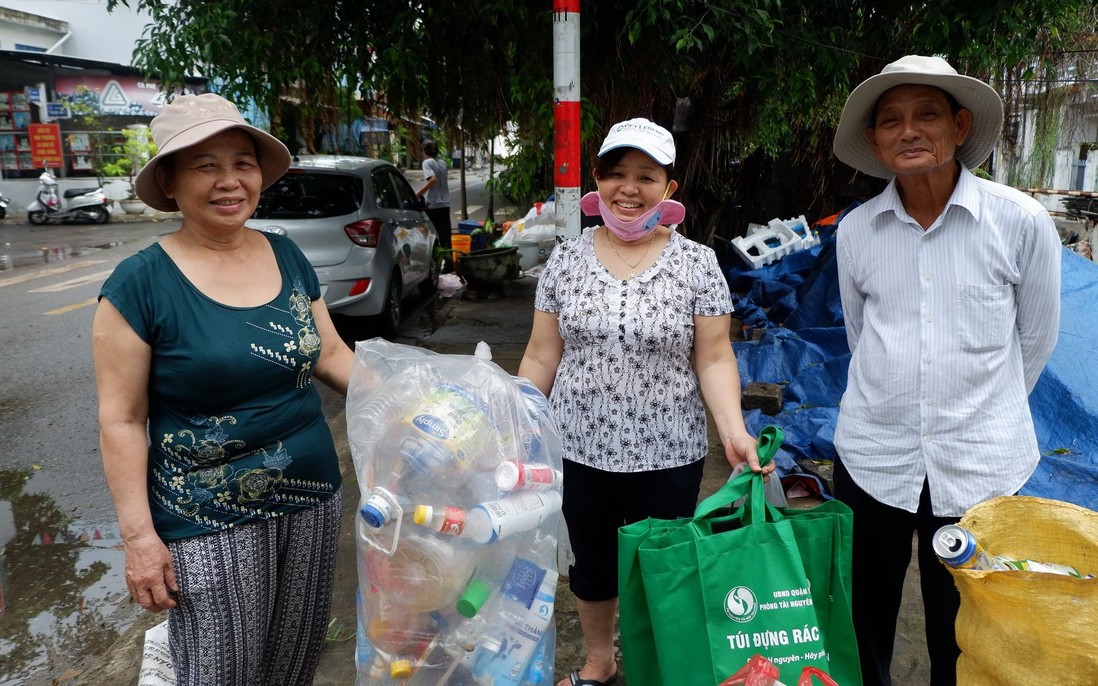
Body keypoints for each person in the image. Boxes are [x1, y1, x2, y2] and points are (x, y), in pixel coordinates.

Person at [92, 93, 356, 685]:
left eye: (242, 162)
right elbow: (122, 419)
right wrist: (139, 539)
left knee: (292, 666)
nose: (229, 181)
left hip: (311, 493)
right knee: (220, 671)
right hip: (206, 515)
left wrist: (422, 400)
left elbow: (333, 354)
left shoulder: (286, 255)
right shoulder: (138, 286)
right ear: (170, 180)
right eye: (205, 165)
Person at [831, 55, 1061, 685]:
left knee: (964, 628)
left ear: (960, 125)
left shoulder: (1020, 222)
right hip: (874, 453)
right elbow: (860, 336)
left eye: (926, 114)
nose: (909, 131)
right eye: (891, 120)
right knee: (864, 616)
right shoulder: (857, 231)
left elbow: (1036, 340)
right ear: (876, 142)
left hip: (982, 460)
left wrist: (980, 412)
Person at [517, 118, 771, 686]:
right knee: (593, 562)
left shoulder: (698, 263)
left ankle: (661, 666)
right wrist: (515, 426)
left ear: (669, 189)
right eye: (617, 175)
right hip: (581, 444)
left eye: (646, 176)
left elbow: (713, 358)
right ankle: (601, 662)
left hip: (669, 449)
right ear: (598, 181)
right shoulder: (565, 259)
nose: (629, 189)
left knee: (666, 564)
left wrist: (733, 429)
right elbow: (540, 356)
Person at [416, 140, 452, 253]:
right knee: (445, 237)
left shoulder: (427, 163)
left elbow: (433, 180)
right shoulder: (443, 164)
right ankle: (449, 263)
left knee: (429, 236)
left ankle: (433, 260)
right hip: (445, 205)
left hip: (433, 206)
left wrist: (418, 193)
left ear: (424, 151)